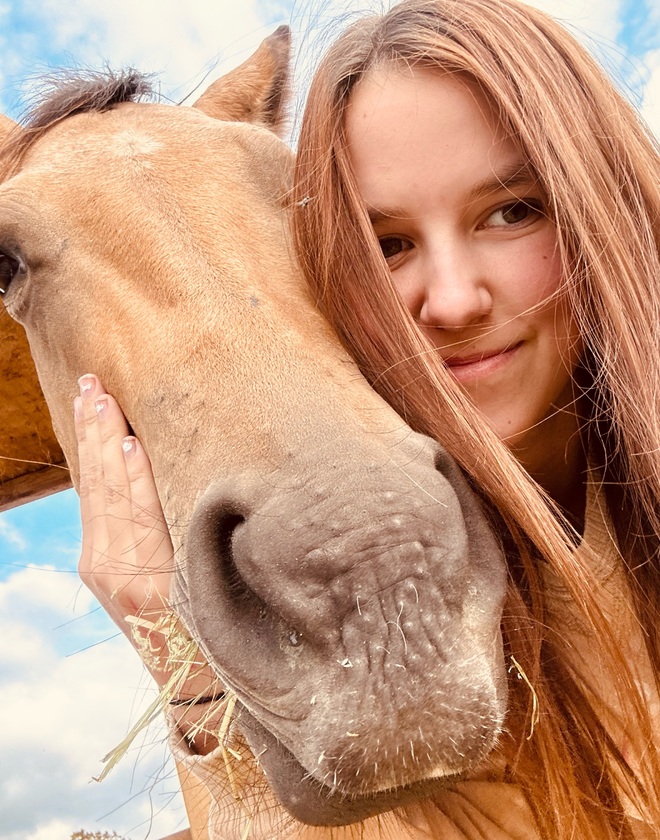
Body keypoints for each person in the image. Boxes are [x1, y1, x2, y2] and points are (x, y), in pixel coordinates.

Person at [75, 0, 660, 837]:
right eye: (387, 244)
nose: (454, 300)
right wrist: (183, 653)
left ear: (603, 204)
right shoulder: (392, 586)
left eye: (512, 211)